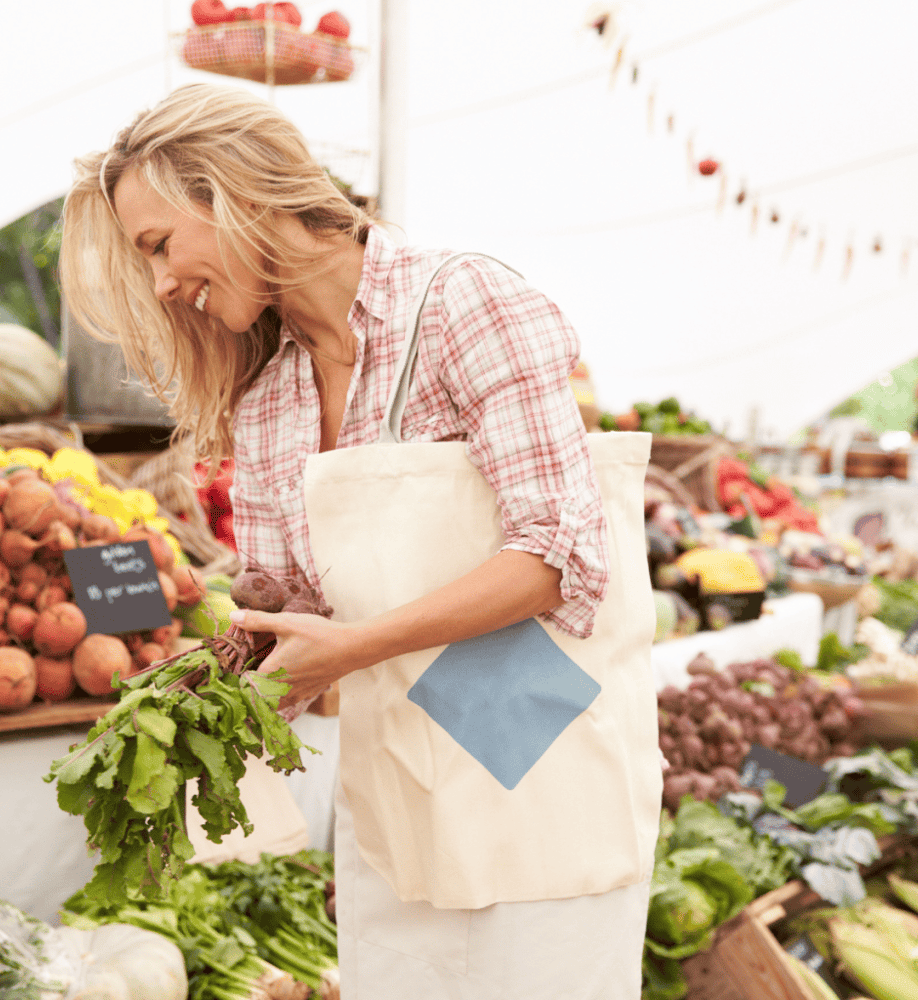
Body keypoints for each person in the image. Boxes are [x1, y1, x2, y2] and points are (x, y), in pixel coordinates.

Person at [60, 82, 660, 1000]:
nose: (162, 284)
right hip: (404, 783)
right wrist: (185, 697)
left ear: (233, 194)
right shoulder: (270, 397)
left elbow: (555, 558)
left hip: (539, 760)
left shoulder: (465, 302)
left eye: (159, 245)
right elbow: (292, 607)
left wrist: (351, 648)